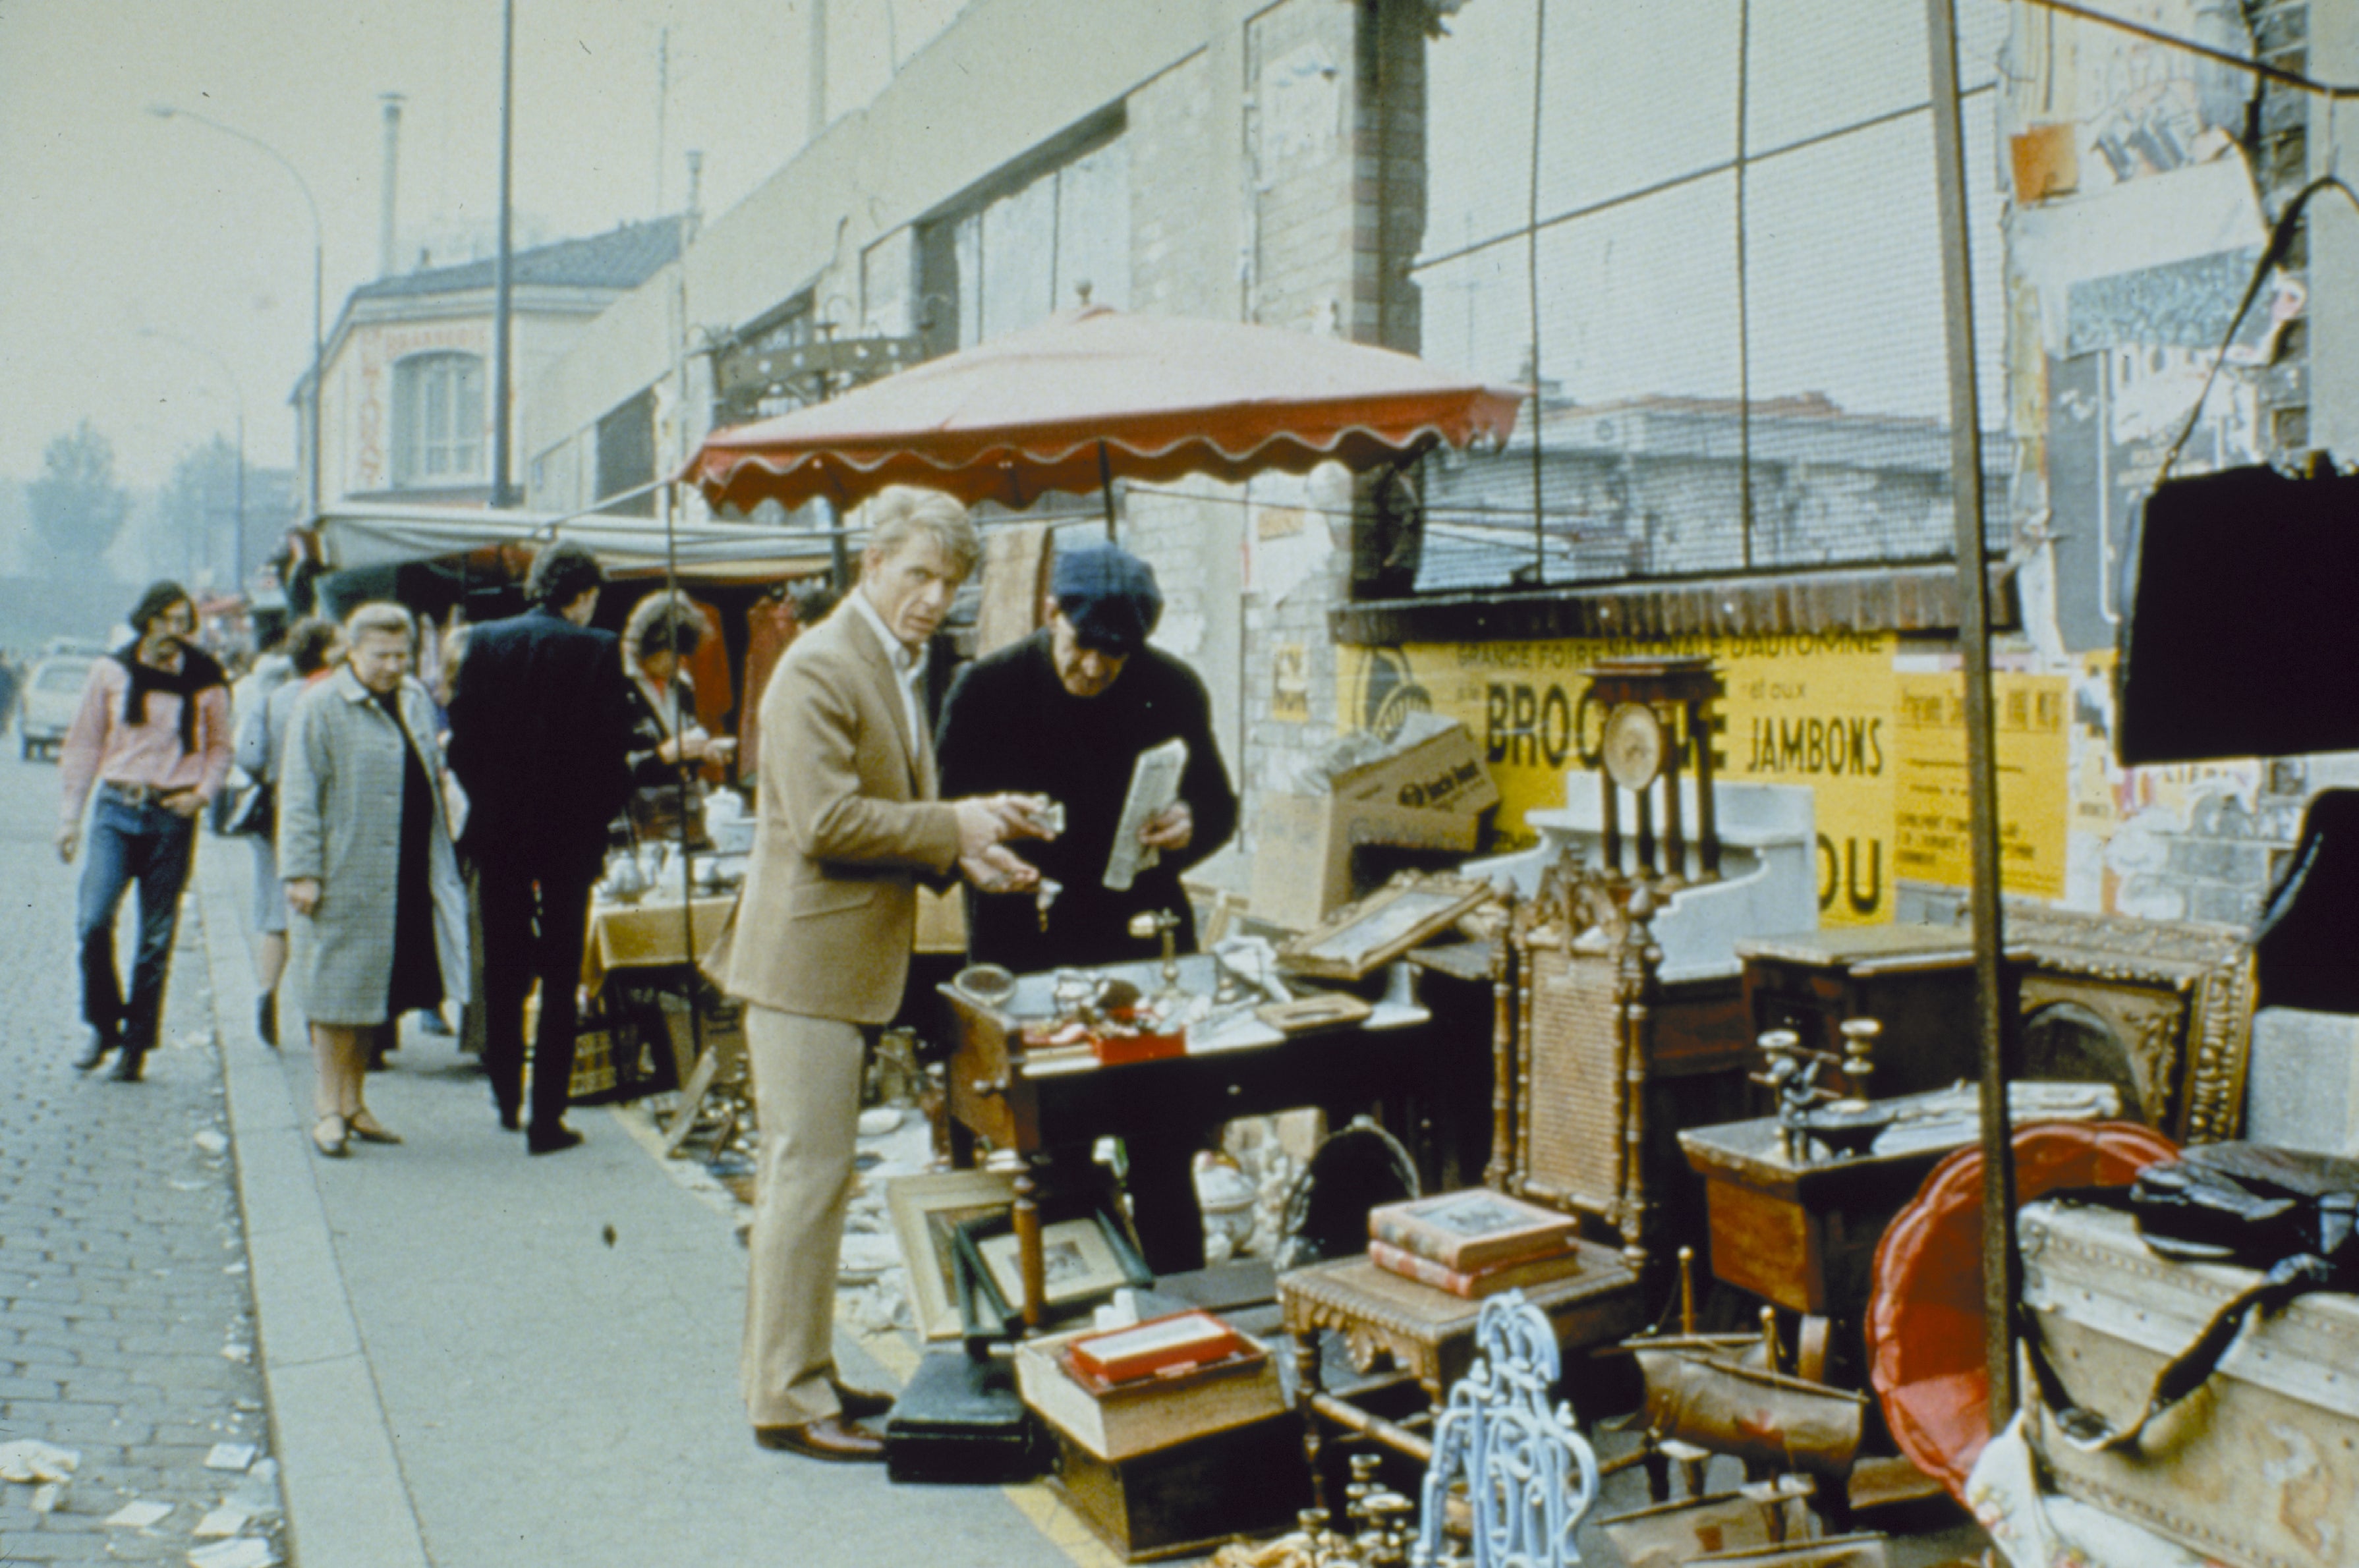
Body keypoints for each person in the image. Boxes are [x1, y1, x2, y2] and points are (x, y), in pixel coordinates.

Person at [720, 484, 1047, 1463]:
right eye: (916, 575)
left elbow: (886, 811)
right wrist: (959, 825)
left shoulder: (880, 661)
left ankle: (805, 1372)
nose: (932, 598)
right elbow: (827, 822)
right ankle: (784, 1397)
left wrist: (968, 850)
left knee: (817, 1178)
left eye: (947, 582)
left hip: (831, 964)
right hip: (804, 967)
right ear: (872, 565)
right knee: (807, 1178)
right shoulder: (823, 664)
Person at [936, 542, 1240, 1274]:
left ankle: (1178, 1301)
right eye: (1082, 647)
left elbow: (1219, 805)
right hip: (1026, 936)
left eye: (1117, 654)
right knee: (1054, 1144)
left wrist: (1190, 825)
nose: (1096, 669)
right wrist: (980, 850)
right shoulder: (985, 688)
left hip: (1138, 940)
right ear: (1051, 615)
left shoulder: (1171, 687)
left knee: (1162, 1144)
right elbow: (942, 817)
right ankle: (1078, 1303)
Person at [445, 542, 635, 1154]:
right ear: (582, 595)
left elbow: (462, 743)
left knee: (502, 964)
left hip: (500, 830)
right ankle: (546, 1117)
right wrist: (597, 815)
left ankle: (505, 1093)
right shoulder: (598, 649)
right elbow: (613, 752)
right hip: (569, 835)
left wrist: (490, 802)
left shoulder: (486, 641)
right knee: (560, 976)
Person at [278, 603, 470, 1157]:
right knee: (334, 996)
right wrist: (302, 871)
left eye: (400, 654)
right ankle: (327, 1108)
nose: (391, 666)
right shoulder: (319, 705)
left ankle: (356, 1103)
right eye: (380, 655)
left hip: (403, 869)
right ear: (352, 652)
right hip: (345, 870)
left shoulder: (412, 697)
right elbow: (298, 795)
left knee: (373, 997)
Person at [57, 582, 234, 1081]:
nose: (175, 633)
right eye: (167, 621)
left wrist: (202, 793)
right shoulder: (111, 670)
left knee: (155, 937)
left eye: (185, 623)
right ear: (147, 621)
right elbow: (84, 744)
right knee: (94, 920)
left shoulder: (206, 677)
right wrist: (71, 815)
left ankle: (135, 1046)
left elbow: (220, 746)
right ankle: (103, 1025)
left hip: (170, 814)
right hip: (117, 807)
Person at [235, 617, 343, 1048]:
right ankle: (314, 1010)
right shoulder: (334, 697)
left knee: (274, 912)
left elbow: (247, 755)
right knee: (320, 912)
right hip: (327, 815)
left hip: (276, 811)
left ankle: (266, 992)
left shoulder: (273, 698)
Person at [619, 590, 737, 843]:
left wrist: (703, 751)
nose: (679, 662)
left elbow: (684, 742)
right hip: (634, 826)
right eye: (672, 653)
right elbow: (605, 768)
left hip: (680, 820)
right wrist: (662, 756)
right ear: (650, 644)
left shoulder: (681, 685)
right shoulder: (616, 684)